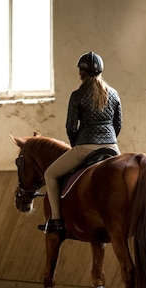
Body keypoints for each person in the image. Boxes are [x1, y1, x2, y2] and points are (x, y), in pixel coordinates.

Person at [39, 51, 122, 234]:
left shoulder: (77, 95)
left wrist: (76, 144)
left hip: (86, 146)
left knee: (50, 175)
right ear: (100, 71)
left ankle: (55, 220)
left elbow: (70, 126)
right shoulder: (114, 94)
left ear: (81, 73)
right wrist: (109, 141)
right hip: (112, 148)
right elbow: (118, 124)